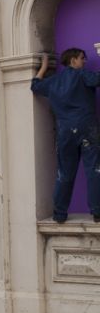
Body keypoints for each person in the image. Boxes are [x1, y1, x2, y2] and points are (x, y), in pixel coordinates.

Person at [31, 48, 100, 223]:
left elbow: (35, 86)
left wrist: (43, 67)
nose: (84, 61)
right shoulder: (83, 75)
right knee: (94, 169)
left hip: (65, 131)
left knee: (65, 172)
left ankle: (60, 213)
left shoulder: (54, 81)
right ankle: (97, 211)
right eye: (82, 58)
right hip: (87, 128)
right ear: (73, 60)